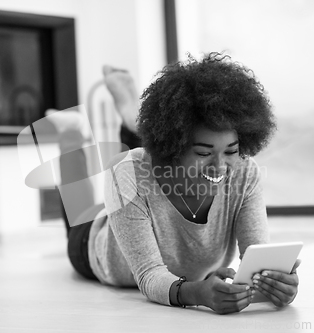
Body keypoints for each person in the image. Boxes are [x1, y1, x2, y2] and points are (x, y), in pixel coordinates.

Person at [57, 52, 300, 315]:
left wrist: (275, 284)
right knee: (80, 213)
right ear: (173, 148)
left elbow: (257, 258)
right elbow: (149, 275)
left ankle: (131, 119)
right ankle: (70, 133)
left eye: (230, 151)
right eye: (204, 153)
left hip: (138, 193)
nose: (220, 167)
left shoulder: (244, 173)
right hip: (93, 246)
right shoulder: (126, 172)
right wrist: (196, 293)